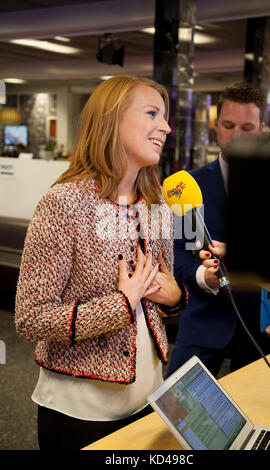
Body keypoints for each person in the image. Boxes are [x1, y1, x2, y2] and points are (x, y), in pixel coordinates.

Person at [15, 75, 188, 450]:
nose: (167, 127)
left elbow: (158, 302)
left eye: (166, 117)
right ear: (112, 119)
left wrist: (174, 298)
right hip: (82, 414)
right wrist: (120, 305)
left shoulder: (155, 205)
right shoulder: (63, 203)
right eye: (152, 113)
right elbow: (30, 318)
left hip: (151, 401)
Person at [167, 81, 270, 378]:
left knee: (262, 416)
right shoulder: (186, 185)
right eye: (228, 125)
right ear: (216, 125)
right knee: (176, 414)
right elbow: (176, 250)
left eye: (247, 128)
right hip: (203, 322)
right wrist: (204, 277)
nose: (237, 135)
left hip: (265, 325)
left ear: (262, 127)